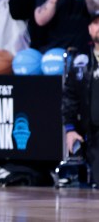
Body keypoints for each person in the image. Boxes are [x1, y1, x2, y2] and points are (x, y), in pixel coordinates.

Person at [62, 10, 99, 185]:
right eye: (96, 23)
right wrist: (70, 129)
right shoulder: (80, 63)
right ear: (89, 28)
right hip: (94, 136)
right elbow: (69, 98)